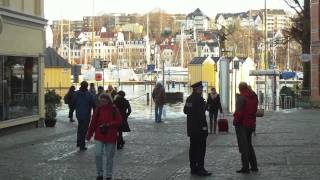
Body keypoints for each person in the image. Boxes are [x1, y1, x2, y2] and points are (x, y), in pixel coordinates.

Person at [87, 93, 122, 180]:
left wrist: (108, 125)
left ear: (108, 100)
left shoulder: (114, 110)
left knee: (109, 157)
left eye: (104, 100)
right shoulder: (98, 110)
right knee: (98, 154)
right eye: (101, 100)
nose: (103, 102)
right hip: (99, 136)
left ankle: (108, 175)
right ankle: (100, 174)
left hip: (111, 137)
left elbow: (119, 121)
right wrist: (89, 134)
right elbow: (93, 123)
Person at [183, 81, 211, 176]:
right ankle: (200, 169)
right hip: (199, 130)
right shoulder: (199, 100)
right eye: (201, 88)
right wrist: (205, 128)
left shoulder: (189, 99)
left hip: (191, 129)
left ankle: (193, 168)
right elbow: (201, 116)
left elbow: (185, 111)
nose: (202, 90)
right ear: (197, 89)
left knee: (193, 149)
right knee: (201, 149)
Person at [233, 82, 258, 174]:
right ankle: (254, 166)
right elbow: (254, 110)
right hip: (251, 124)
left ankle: (245, 167)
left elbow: (239, 113)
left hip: (242, 125)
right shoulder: (253, 96)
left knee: (244, 147)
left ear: (240, 88)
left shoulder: (241, 98)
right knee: (249, 145)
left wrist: (235, 121)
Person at [72, 81, 96, 151]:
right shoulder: (89, 94)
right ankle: (82, 145)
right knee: (84, 130)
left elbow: (72, 103)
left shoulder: (76, 93)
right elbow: (93, 104)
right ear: (86, 86)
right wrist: (95, 114)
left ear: (81, 85)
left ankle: (79, 142)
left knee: (80, 128)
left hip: (78, 114)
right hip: (86, 115)